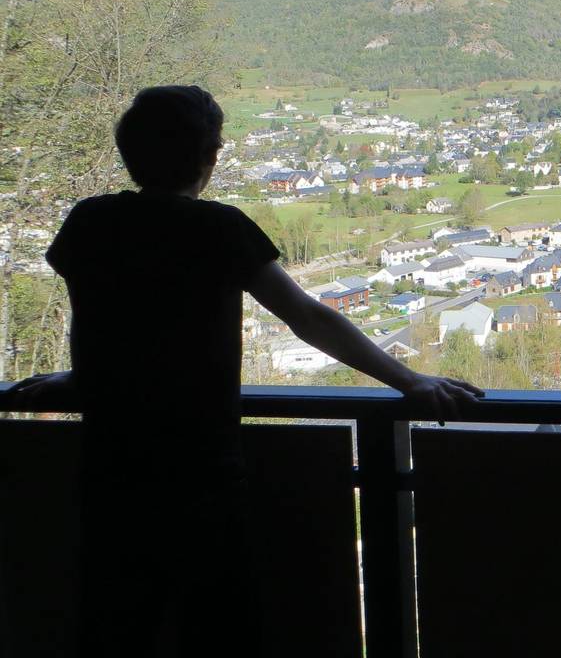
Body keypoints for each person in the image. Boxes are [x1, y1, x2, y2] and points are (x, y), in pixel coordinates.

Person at [3, 85, 483, 657]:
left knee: (115, 627)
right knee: (219, 629)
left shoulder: (91, 222)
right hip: (200, 468)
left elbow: (108, 315)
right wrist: (410, 380)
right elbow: (307, 317)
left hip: (111, 468)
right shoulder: (220, 229)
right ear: (209, 155)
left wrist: (81, 379)